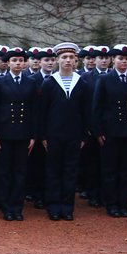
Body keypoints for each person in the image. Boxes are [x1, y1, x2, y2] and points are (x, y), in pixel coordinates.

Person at [37, 42, 91, 221]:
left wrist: (84, 135)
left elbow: (86, 112)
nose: (68, 61)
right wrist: (43, 136)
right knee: (53, 171)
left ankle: (67, 207)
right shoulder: (49, 83)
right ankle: (53, 206)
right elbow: (42, 112)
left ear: (76, 60)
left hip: (74, 135)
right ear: (57, 60)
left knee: (70, 171)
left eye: (71, 58)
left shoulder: (82, 83)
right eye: (64, 57)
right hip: (53, 135)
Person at [90, 45, 127, 218]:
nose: (124, 62)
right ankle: (111, 204)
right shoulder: (105, 79)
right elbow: (97, 107)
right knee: (110, 170)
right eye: (120, 59)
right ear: (113, 60)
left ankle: (124, 204)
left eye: (126, 59)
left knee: (126, 170)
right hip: (110, 132)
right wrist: (98, 132)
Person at [0, 46, 38, 221]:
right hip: (4, 132)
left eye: (20, 60)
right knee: (4, 171)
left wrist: (33, 135)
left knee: (20, 171)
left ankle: (17, 206)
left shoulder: (31, 82)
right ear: (8, 63)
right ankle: (6, 206)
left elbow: (34, 110)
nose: (18, 63)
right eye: (14, 60)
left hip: (23, 132)